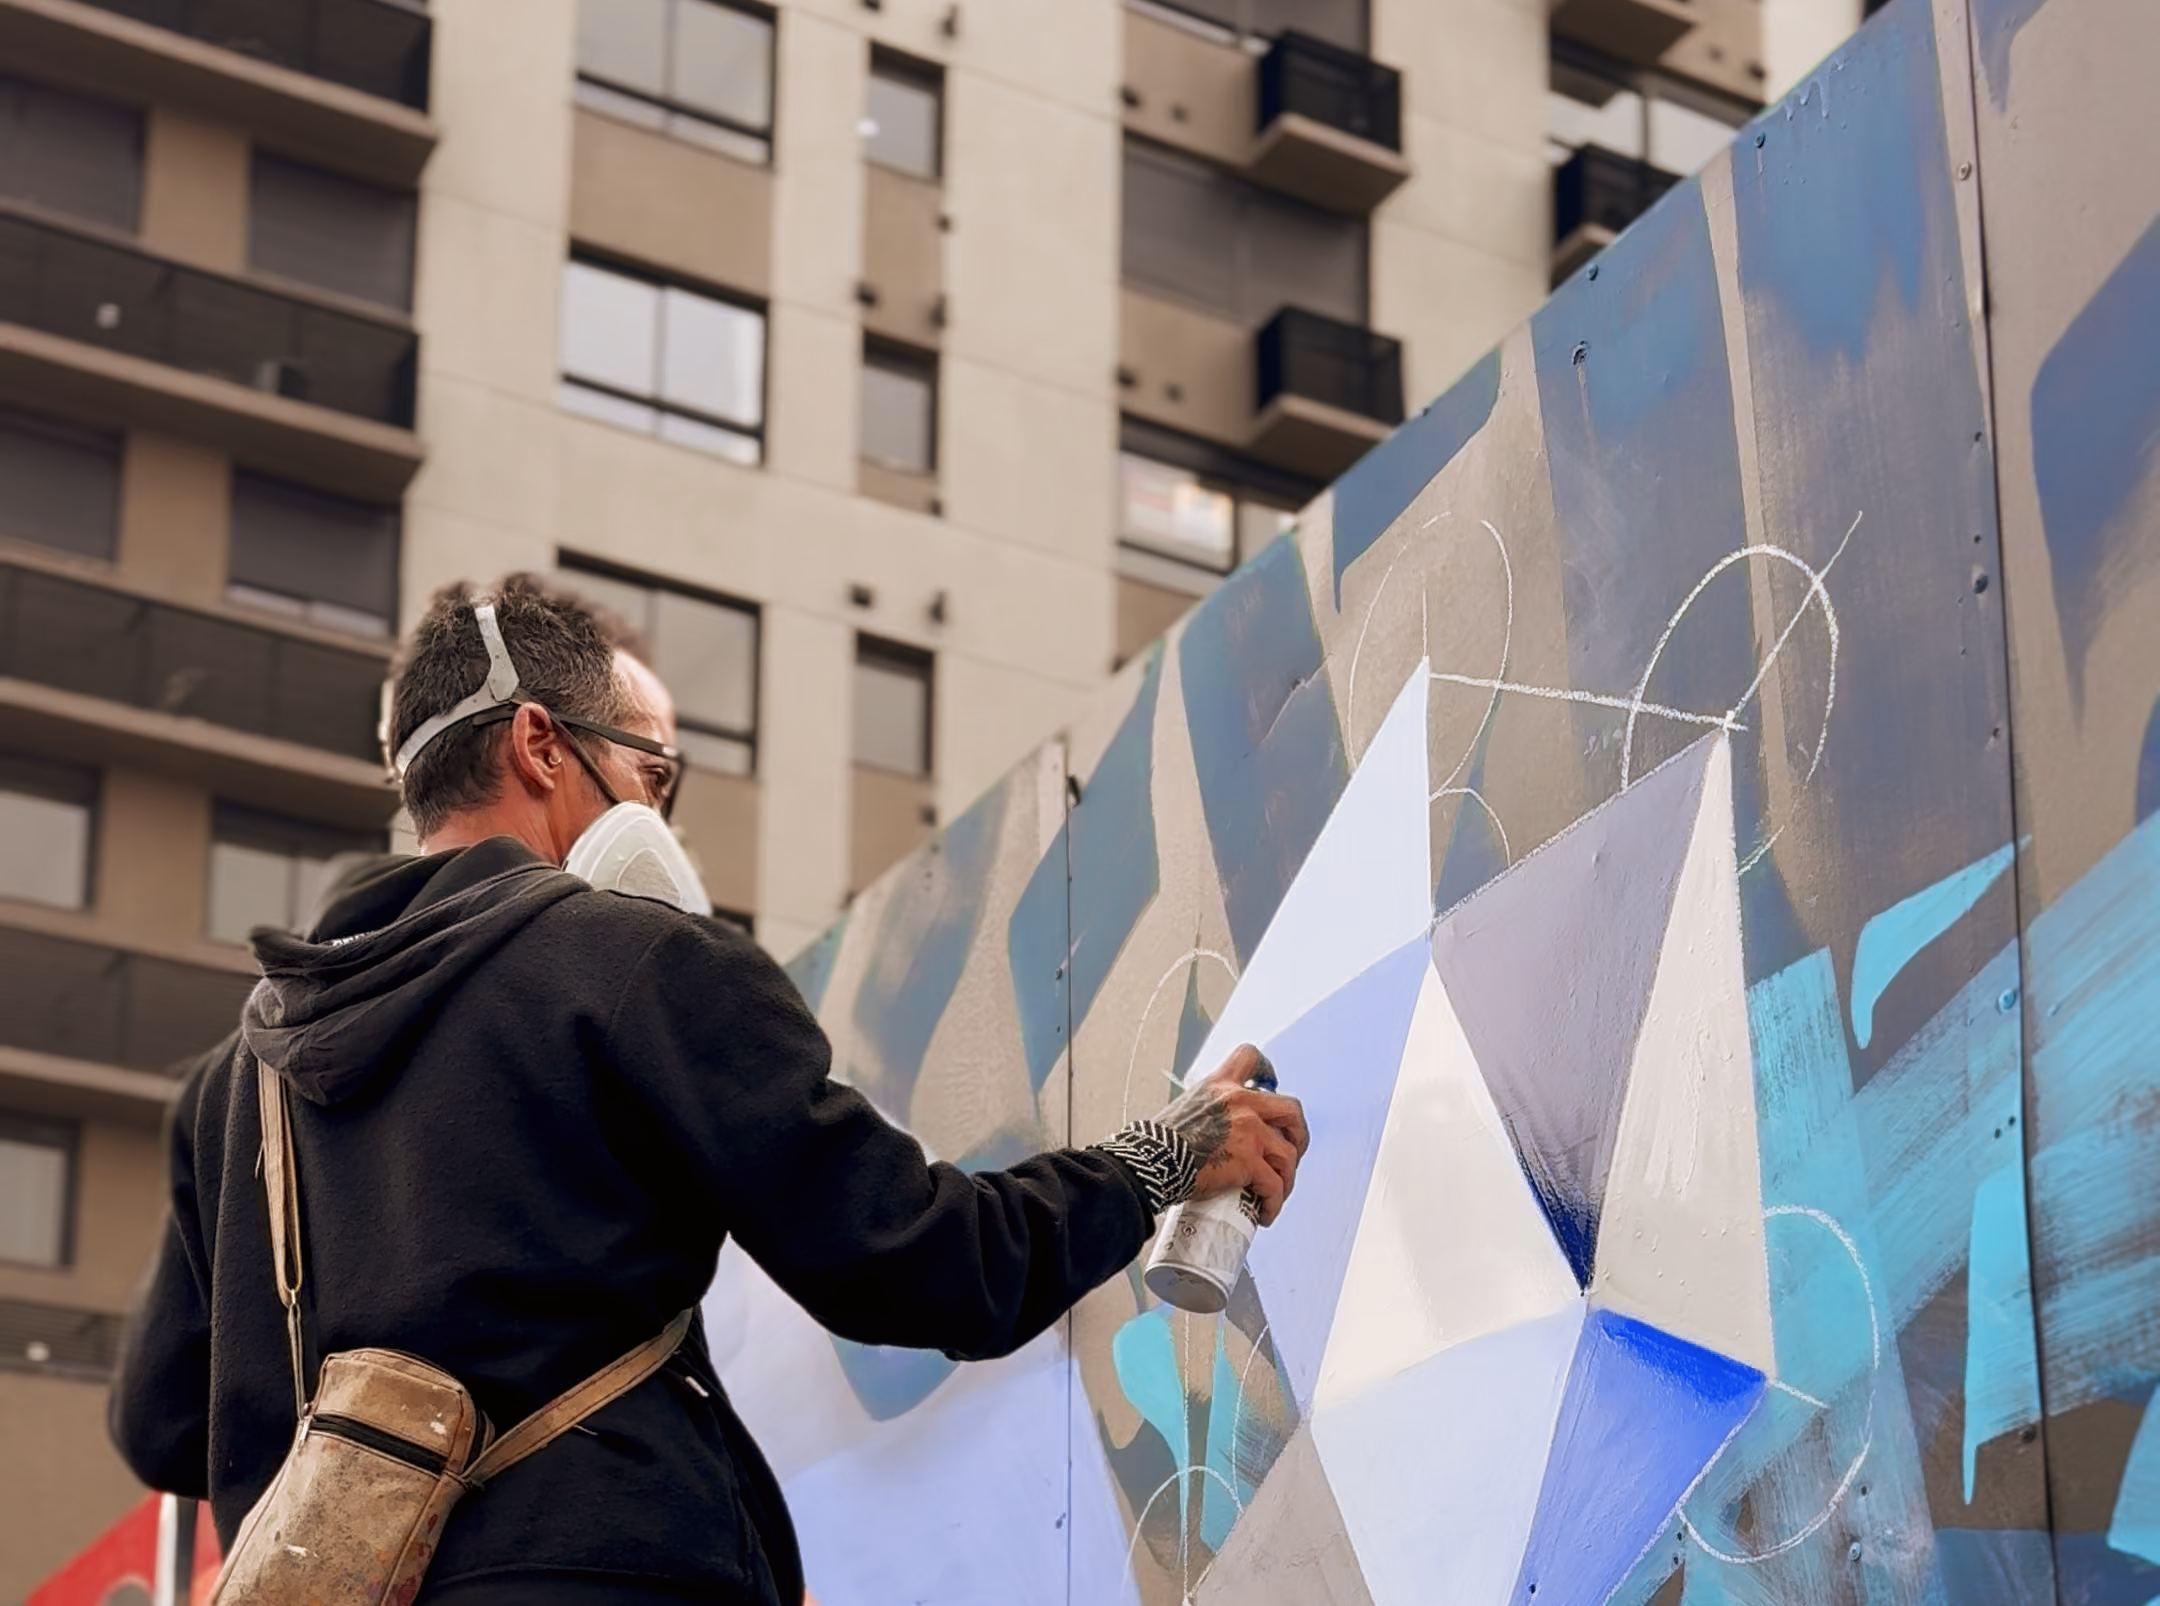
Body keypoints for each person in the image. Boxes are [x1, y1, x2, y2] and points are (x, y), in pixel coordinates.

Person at [109, 574, 1309, 1605]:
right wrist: (1162, 1159)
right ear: (540, 744)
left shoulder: (236, 1080)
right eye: (651, 773)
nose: (655, 816)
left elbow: (162, 1424)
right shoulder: (636, 962)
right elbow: (924, 1260)